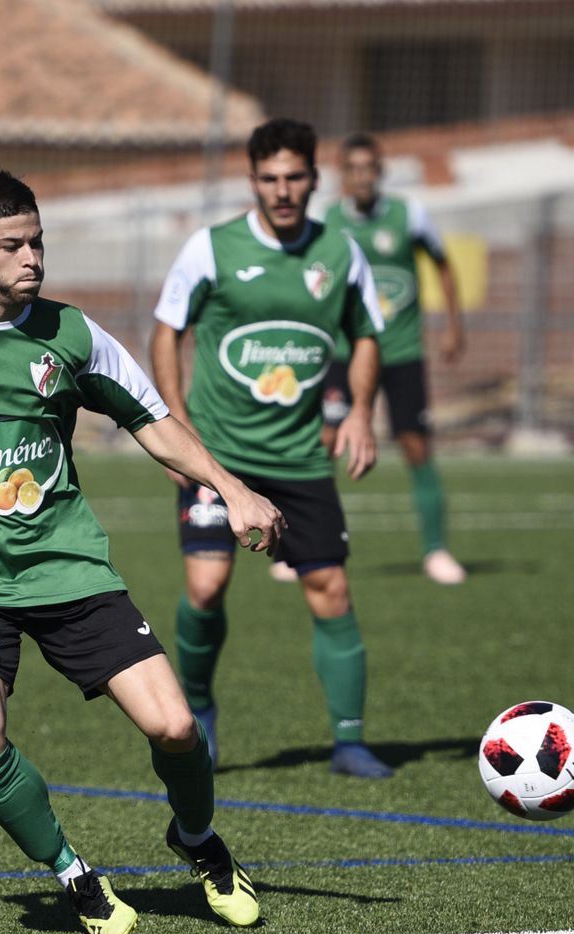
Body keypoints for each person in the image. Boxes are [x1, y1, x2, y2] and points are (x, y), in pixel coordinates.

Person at [0, 168, 281, 934]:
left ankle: (200, 843)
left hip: (69, 568)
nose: (33, 257)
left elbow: (155, 420)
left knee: (176, 727)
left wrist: (230, 488)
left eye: (38, 240)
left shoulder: (74, 335)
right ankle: (76, 875)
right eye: (13, 244)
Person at [149, 118, 394, 779]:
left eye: (294, 177)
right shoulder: (212, 248)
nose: (283, 190)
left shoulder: (341, 253)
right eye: (270, 178)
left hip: (299, 459)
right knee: (206, 584)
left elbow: (368, 333)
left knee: (331, 589)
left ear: (315, 180)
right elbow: (167, 331)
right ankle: (197, 710)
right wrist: (177, 426)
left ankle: (348, 742)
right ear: (252, 180)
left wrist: (362, 413)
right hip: (219, 456)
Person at [318, 132, 468, 585]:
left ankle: (436, 551)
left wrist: (455, 326)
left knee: (416, 446)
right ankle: (311, 548)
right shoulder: (326, 220)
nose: (362, 176)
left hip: (400, 352)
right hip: (345, 352)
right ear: (342, 175)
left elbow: (443, 264)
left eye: (369, 168)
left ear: (379, 172)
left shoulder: (409, 215)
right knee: (324, 444)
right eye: (353, 168)